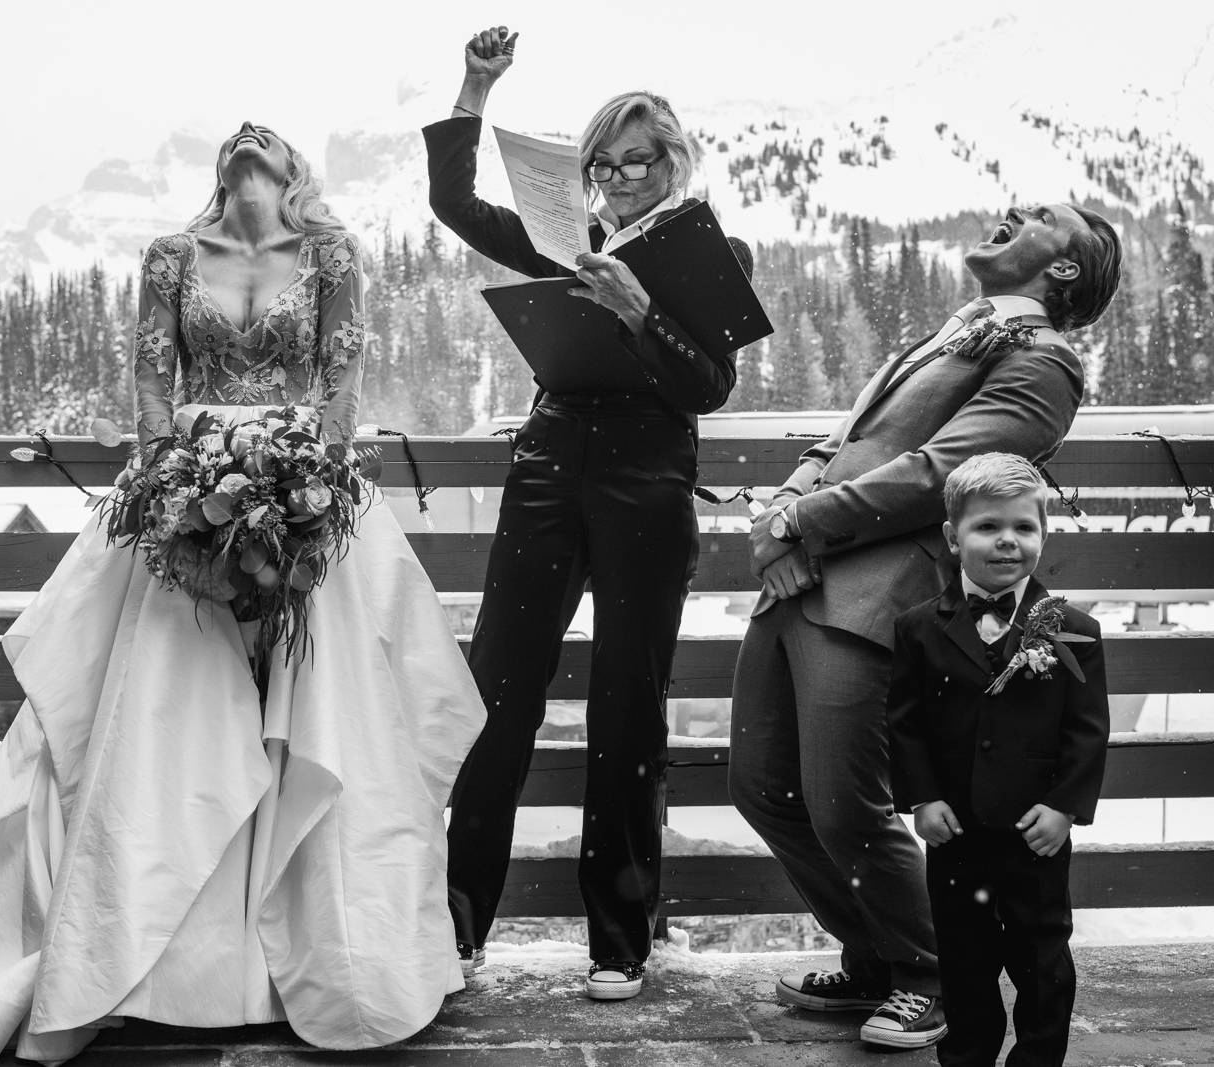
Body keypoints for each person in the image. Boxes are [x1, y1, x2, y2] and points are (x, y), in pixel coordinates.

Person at [0, 122, 486, 1063]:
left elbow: (339, 387)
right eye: (236, 137)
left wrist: (306, 502)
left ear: (294, 172)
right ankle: (138, 960)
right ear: (221, 172)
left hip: (306, 490)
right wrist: (172, 501)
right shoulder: (168, 257)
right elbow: (150, 387)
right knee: (153, 718)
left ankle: (322, 963)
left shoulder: (333, 254)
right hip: (181, 496)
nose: (250, 135)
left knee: (324, 719)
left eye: (271, 136)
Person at [728, 203, 1121, 1048]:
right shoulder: (956, 332)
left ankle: (929, 970)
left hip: (870, 592)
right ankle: (875, 952)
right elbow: (852, 436)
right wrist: (786, 507)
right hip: (798, 578)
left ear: (1063, 270)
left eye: (1040, 216)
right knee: (764, 789)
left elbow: (938, 475)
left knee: (845, 806)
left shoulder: (1045, 362)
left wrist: (801, 526)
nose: (1012, 211)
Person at [425, 26, 749, 1001]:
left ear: (672, 162)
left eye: (632, 162)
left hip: (648, 479)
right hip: (549, 463)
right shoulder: (563, 236)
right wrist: (474, 88)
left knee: (625, 703)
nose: (612, 178)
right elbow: (451, 201)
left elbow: (709, 387)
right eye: (599, 164)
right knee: (497, 694)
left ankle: (618, 937)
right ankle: (458, 921)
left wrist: (638, 309)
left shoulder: (709, 249)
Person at [887, 452, 1108, 1066]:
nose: (1007, 541)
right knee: (963, 961)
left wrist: (1063, 807)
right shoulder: (917, 629)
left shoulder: (1074, 629)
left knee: (1043, 963)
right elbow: (905, 725)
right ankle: (967, 1058)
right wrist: (922, 797)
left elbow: (1087, 732)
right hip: (955, 835)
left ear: (1042, 534)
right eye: (988, 527)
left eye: (1024, 527)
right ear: (952, 538)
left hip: (1032, 834)